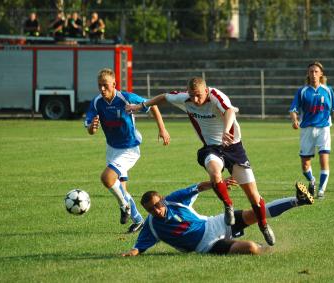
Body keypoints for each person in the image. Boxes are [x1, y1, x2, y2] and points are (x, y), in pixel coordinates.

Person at [125, 77, 275, 246]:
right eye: (191, 95)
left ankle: (263, 225)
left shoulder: (216, 96)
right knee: (214, 172)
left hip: (233, 148)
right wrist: (141, 106)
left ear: (206, 90)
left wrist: (226, 131)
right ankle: (228, 206)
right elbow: (163, 97)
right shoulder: (185, 98)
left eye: (198, 95)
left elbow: (230, 111)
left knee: (254, 198)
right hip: (211, 148)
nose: (195, 100)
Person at [122, 180, 313, 256]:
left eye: (157, 205)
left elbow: (198, 187)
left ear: (162, 200)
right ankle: (269, 251)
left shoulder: (174, 200)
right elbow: (138, 248)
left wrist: (219, 183)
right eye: (151, 209)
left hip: (214, 224)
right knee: (251, 248)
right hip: (207, 247)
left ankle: (299, 200)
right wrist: (129, 254)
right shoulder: (152, 226)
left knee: (254, 213)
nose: (156, 211)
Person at [84, 68, 170, 233]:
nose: (102, 89)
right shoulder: (96, 102)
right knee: (121, 189)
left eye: (105, 85)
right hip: (112, 149)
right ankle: (138, 220)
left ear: (114, 84)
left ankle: (124, 206)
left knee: (107, 178)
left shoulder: (126, 98)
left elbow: (152, 105)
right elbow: (90, 127)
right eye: (99, 86)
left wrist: (162, 128)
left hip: (129, 149)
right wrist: (92, 128)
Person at [289, 61, 334, 199]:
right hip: (307, 130)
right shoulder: (302, 91)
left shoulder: (328, 90)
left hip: (323, 129)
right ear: (308, 74)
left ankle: (321, 190)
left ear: (321, 74)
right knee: (305, 164)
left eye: (316, 71)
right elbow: (293, 109)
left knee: (324, 159)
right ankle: (312, 180)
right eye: (311, 71)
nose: (313, 74)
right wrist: (294, 120)